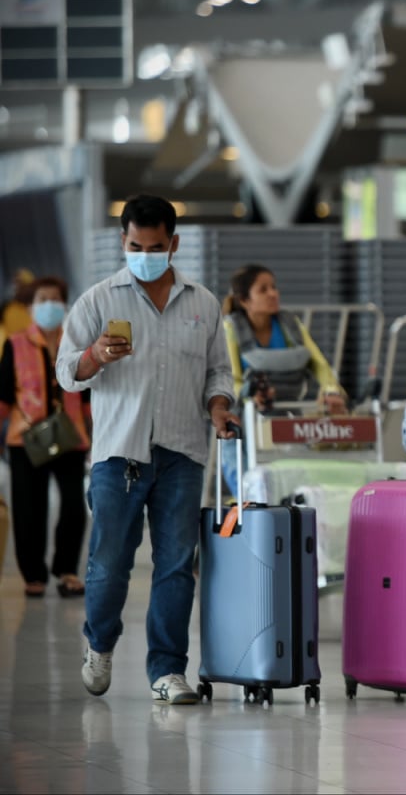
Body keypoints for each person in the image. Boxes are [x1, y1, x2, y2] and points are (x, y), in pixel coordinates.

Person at [56, 194, 236, 706]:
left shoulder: (202, 304)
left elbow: (217, 373)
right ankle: (100, 641)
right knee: (109, 564)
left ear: (173, 244)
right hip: (119, 453)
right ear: (123, 241)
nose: (145, 254)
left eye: (155, 247)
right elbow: (66, 372)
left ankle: (167, 670)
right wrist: (94, 356)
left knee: (177, 564)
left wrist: (220, 407)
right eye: (135, 245)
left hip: (183, 451)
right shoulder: (97, 301)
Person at [220, 264, 347, 495]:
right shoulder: (230, 328)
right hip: (242, 422)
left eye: (274, 287)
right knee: (251, 489)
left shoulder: (291, 325)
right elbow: (231, 379)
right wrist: (250, 395)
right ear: (245, 300)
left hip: (287, 420)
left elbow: (319, 365)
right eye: (263, 289)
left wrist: (331, 391)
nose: (273, 294)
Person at [0, 275, 91, 598]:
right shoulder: (15, 344)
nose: (50, 305)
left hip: (71, 437)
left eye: (56, 299)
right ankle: (33, 575)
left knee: (73, 507)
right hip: (26, 439)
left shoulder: (77, 344)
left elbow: (87, 397)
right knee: (29, 508)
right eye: (43, 300)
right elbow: (4, 396)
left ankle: (66, 570)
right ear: (29, 306)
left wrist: (96, 434)